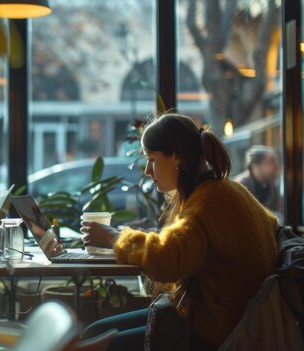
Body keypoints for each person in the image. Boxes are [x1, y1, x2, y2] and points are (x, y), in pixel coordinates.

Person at [80, 113, 279, 350]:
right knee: (95, 331)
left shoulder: (208, 202)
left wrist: (114, 237)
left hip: (218, 332)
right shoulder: (225, 189)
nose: (147, 171)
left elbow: (167, 261)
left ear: (176, 157)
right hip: (233, 319)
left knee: (97, 341)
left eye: (151, 159)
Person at [233, 145, 282, 215]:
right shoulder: (241, 185)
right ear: (256, 165)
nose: (276, 166)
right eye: (271, 162)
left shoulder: (271, 185)